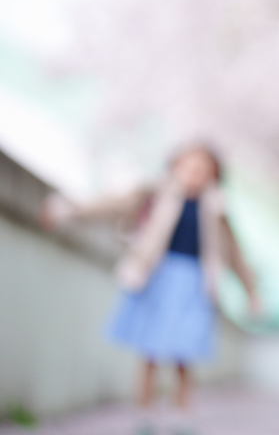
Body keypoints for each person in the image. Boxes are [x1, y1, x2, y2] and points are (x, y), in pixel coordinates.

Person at [44, 143, 260, 435]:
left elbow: (233, 251)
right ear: (176, 166)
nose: (196, 173)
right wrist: (67, 210)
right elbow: (111, 205)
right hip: (157, 278)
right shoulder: (157, 194)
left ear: (214, 174)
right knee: (149, 353)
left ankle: (183, 418)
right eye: (190, 165)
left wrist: (251, 291)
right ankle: (145, 417)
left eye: (204, 168)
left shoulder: (216, 207)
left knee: (185, 355)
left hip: (195, 285)